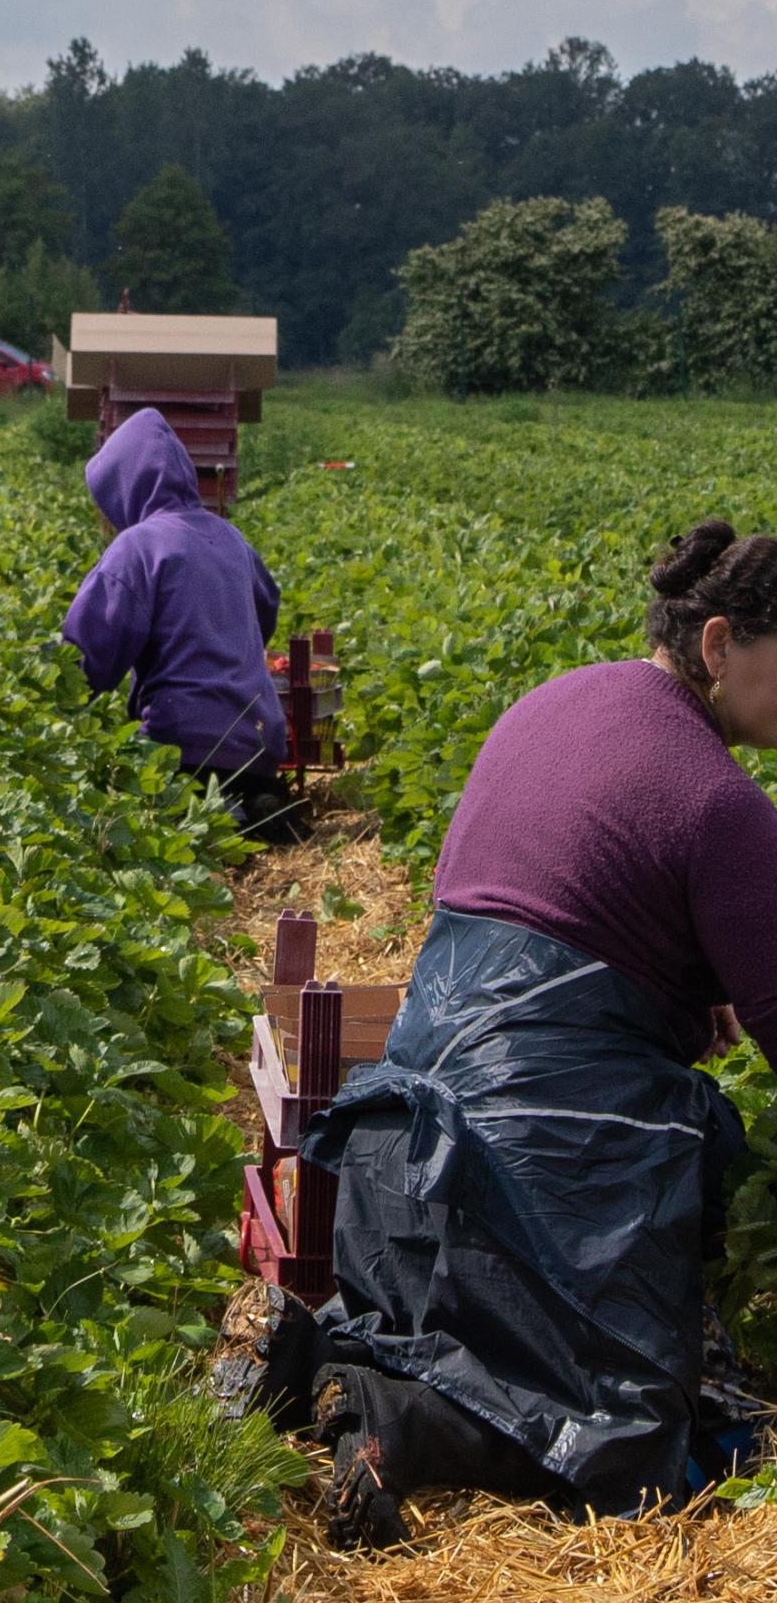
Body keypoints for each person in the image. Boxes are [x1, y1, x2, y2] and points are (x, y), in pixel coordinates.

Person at [245, 520, 777, 1547]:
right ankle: (398, 1423)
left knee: (477, 1342)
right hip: (540, 1177)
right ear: (718, 644)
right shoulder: (717, 799)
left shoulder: (557, 703)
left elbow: (548, 917)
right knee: (625, 1433)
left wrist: (671, 992)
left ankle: (329, 1364)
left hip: (399, 1165)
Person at [60, 408, 300, 842]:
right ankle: (251, 800)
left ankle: (221, 809)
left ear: (123, 489)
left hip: (179, 742)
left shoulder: (137, 546)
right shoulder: (230, 537)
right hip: (258, 739)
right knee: (234, 786)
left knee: (132, 812)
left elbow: (88, 653)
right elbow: (267, 605)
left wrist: (60, 701)